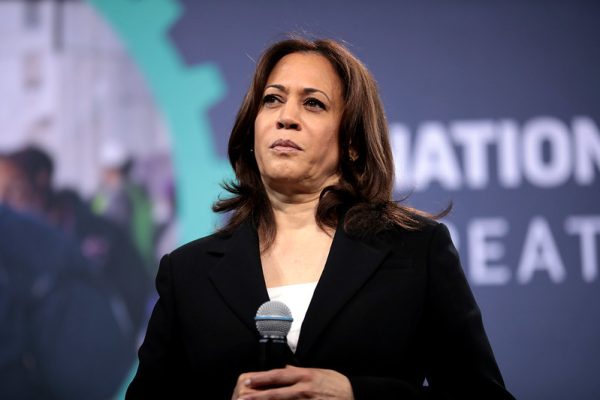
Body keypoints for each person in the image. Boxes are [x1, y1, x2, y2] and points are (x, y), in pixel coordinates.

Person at [126, 37, 515, 399]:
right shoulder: (187, 272)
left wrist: (354, 394)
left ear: (352, 144)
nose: (286, 117)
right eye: (272, 100)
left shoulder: (415, 252)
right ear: (252, 128)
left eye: (313, 103)